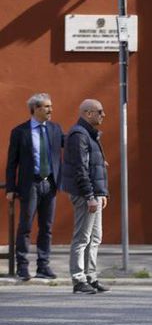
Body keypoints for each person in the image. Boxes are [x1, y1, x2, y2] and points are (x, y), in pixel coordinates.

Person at [5, 93, 63, 281]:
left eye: (50, 106)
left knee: (47, 227)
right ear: (35, 109)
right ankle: (22, 266)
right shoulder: (20, 131)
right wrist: (10, 188)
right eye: (46, 107)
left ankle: (43, 266)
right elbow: (12, 163)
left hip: (50, 184)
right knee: (26, 226)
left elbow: (71, 145)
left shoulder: (55, 129)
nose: (50, 110)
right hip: (30, 185)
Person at [63, 99, 110, 294]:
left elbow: (96, 166)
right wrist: (91, 195)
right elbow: (80, 169)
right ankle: (78, 279)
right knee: (82, 237)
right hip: (85, 194)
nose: (103, 114)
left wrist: (102, 193)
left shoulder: (90, 134)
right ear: (88, 113)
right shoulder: (78, 135)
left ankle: (91, 276)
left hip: (94, 194)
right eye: (100, 111)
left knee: (95, 237)